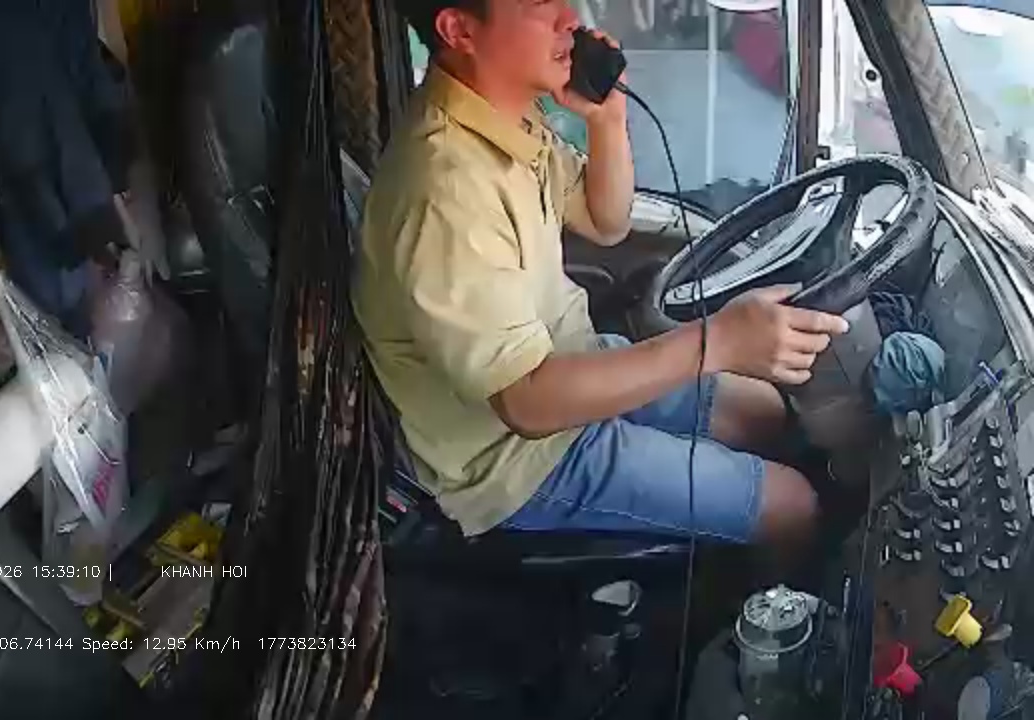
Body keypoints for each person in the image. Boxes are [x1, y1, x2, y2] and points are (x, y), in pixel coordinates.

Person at [351, 0, 850, 555]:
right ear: (459, 30)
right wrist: (718, 342)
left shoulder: (505, 117)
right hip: (514, 457)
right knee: (793, 505)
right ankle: (742, 605)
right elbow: (527, 404)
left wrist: (606, 119)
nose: (570, 18)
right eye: (540, 4)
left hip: (573, 360)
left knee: (762, 412)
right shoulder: (446, 192)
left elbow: (605, 221)